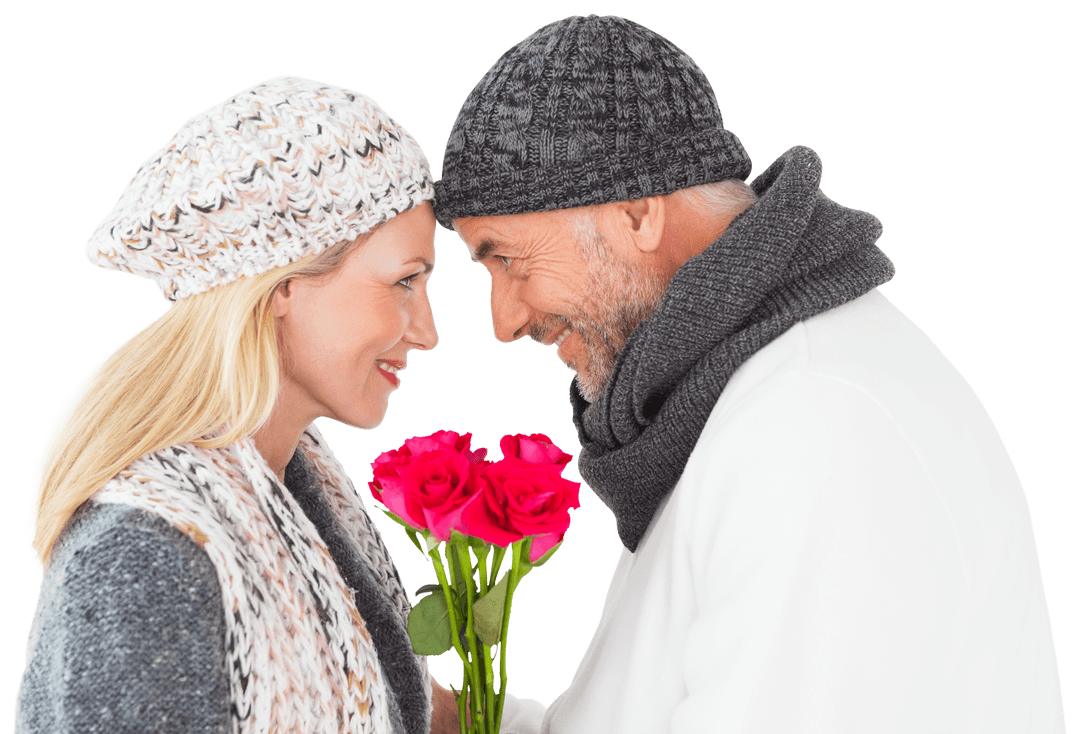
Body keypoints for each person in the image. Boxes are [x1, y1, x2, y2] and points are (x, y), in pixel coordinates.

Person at [433, 15, 1067, 733]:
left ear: (638, 213)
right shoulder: (739, 402)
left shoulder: (814, 430)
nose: (504, 320)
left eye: (508, 261)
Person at [15, 75, 541, 734]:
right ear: (284, 285)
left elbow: (402, 713)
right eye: (404, 282)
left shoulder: (299, 493)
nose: (427, 332)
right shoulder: (145, 559)